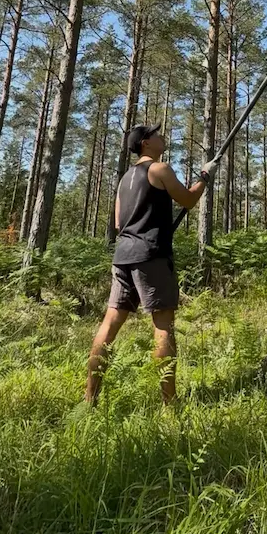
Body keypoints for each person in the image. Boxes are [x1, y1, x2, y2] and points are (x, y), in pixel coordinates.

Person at [84, 123, 219, 406]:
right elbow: (189, 199)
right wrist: (205, 177)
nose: (162, 136)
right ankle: (170, 404)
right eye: (157, 134)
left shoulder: (124, 180)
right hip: (152, 256)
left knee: (109, 325)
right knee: (163, 326)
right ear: (146, 143)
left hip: (123, 257)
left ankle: (90, 399)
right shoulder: (160, 169)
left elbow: (120, 223)